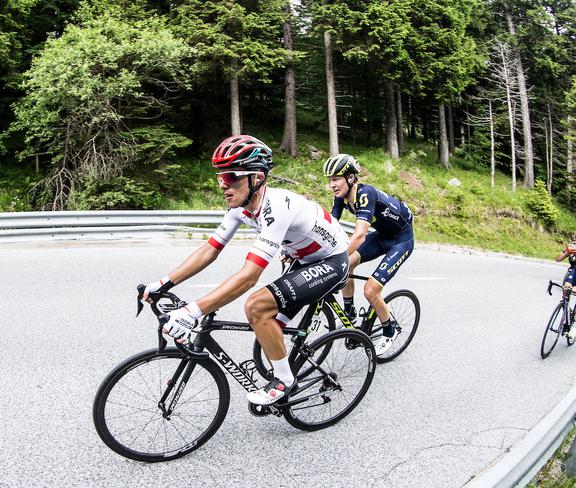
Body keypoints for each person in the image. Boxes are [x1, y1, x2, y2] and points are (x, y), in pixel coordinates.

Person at [143, 135, 349, 406]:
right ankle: (284, 358)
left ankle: (285, 381)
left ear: (258, 178)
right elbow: (210, 250)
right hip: (301, 258)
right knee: (269, 322)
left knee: (256, 307)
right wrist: (163, 283)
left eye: (230, 177)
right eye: (220, 177)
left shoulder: (277, 207)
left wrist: (192, 312)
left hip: (331, 262)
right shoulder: (240, 208)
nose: (222, 185)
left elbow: (250, 276)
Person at [323, 154, 414, 356]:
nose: (332, 185)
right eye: (330, 180)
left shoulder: (366, 194)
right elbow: (329, 226)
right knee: (346, 264)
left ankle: (389, 330)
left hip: (401, 240)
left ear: (351, 178)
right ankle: (350, 312)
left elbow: (360, 235)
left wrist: (334, 258)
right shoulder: (340, 197)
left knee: (371, 290)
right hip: (382, 235)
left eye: (336, 179)